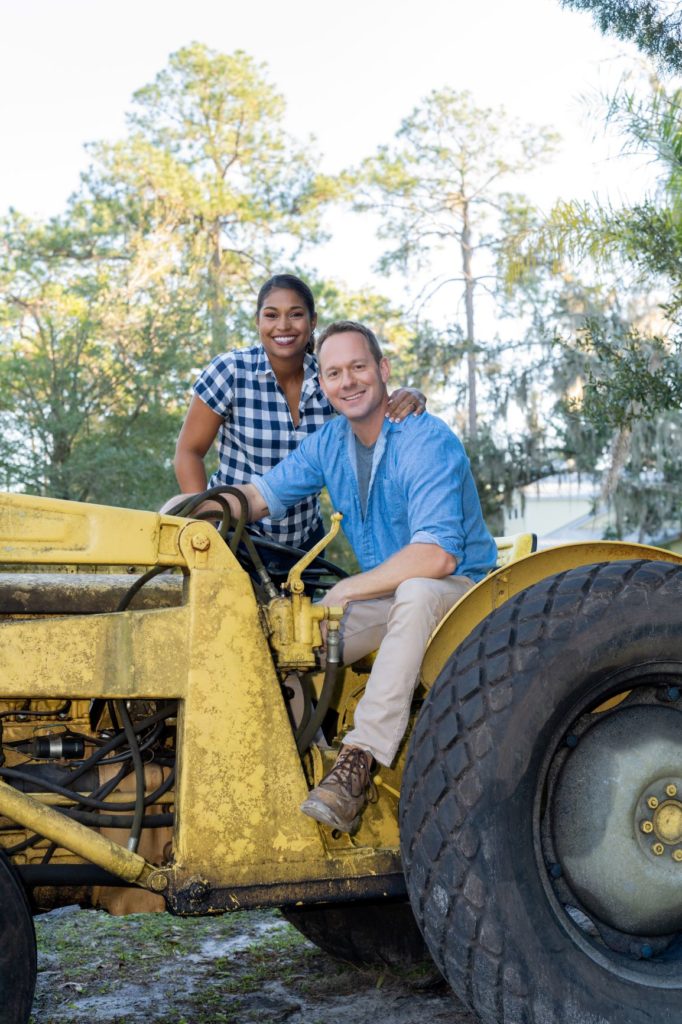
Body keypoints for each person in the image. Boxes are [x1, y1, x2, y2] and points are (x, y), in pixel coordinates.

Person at [215, 320, 497, 833]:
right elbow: (259, 496)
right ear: (322, 384)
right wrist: (198, 511)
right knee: (294, 633)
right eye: (334, 372)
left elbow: (436, 557)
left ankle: (357, 764)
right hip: (392, 595)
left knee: (412, 589)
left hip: (465, 595)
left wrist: (346, 589)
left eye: (359, 367)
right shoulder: (329, 444)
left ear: (383, 370)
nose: (348, 381)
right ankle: (303, 763)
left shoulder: (423, 438)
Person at [169, 274, 426, 553]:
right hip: (235, 537)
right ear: (258, 322)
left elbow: (371, 406)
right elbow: (188, 452)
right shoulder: (231, 372)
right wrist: (202, 528)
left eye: (295, 314)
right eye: (271, 315)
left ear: (312, 321)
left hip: (304, 543)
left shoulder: (330, 378)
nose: (283, 325)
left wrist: (410, 394)